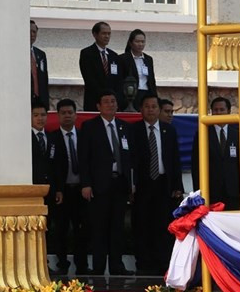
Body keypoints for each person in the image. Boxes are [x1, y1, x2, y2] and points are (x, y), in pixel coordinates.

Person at [78, 90, 135, 276]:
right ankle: (98, 268)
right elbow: (83, 158)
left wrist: (131, 183)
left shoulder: (124, 127)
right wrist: (85, 184)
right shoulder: (89, 127)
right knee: (99, 228)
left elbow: (129, 158)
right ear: (98, 106)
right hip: (98, 186)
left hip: (119, 184)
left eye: (113, 101)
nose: (110, 104)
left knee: (117, 228)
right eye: (106, 102)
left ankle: (117, 266)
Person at [132, 94, 184, 274]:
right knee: (142, 224)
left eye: (154, 106)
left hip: (164, 185)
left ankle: (163, 263)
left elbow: (174, 160)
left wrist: (178, 186)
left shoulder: (168, 131)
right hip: (143, 185)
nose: (151, 110)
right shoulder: (134, 130)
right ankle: (143, 265)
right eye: (147, 106)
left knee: (163, 225)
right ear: (141, 109)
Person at [48, 98, 90, 276]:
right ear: (58, 116)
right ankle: (63, 264)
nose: (67, 116)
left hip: (81, 191)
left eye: (70, 112)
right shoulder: (52, 138)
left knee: (82, 230)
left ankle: (82, 265)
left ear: (75, 115)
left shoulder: (84, 136)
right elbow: (52, 167)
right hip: (62, 192)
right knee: (61, 230)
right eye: (63, 113)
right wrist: (57, 188)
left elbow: (90, 163)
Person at [192, 97, 240, 210]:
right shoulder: (203, 133)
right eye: (215, 110)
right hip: (210, 192)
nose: (218, 113)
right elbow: (196, 164)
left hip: (233, 192)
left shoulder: (237, 134)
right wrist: (198, 191)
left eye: (221, 109)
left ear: (228, 111)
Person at [79, 22, 125, 111]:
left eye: (109, 34)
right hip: (95, 101)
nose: (107, 36)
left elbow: (119, 80)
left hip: (112, 103)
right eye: (104, 33)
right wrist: (103, 97)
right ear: (95, 34)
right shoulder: (87, 53)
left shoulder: (114, 56)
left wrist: (113, 98)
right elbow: (89, 78)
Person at [119, 29, 158, 111]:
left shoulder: (148, 59)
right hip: (131, 95)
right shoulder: (123, 58)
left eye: (143, 42)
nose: (140, 44)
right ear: (131, 43)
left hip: (146, 93)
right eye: (137, 41)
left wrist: (155, 96)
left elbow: (151, 79)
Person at [30, 20, 49, 110]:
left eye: (34, 32)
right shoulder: (14, 53)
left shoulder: (40, 54)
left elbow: (44, 79)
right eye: (29, 31)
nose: (32, 34)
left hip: (40, 100)